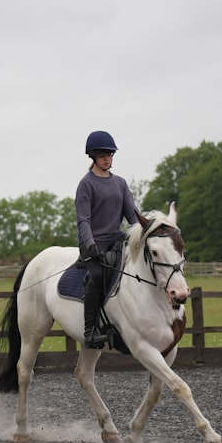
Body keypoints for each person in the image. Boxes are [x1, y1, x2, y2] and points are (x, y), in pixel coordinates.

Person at [76, 130, 142, 348]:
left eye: (111, 154)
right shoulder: (86, 184)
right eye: (103, 155)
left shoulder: (120, 183)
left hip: (115, 239)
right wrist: (90, 244)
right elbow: (83, 220)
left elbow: (132, 215)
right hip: (92, 242)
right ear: (93, 156)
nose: (108, 158)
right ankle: (90, 331)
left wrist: (143, 234)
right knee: (96, 276)